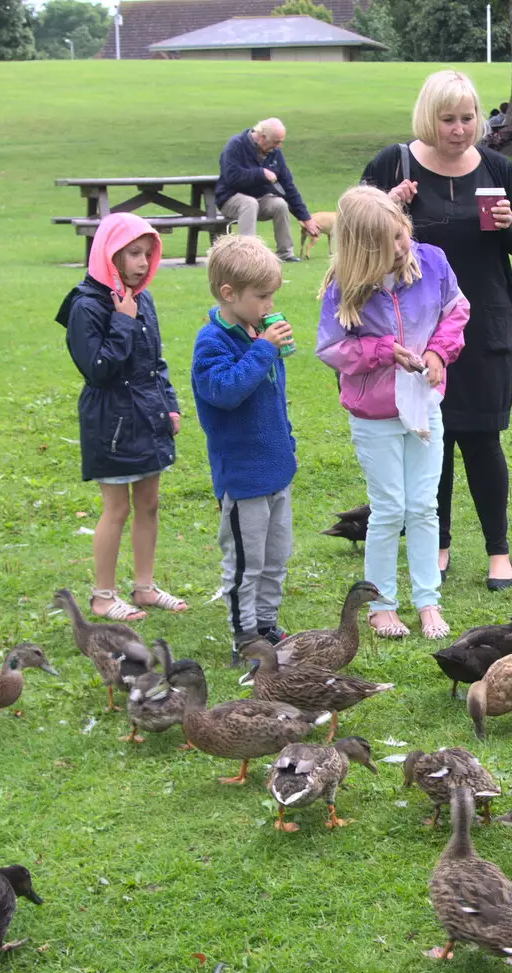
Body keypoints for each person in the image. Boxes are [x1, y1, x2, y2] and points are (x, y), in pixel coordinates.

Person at [362, 69, 512, 591]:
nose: (460, 129)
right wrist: (389, 206)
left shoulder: (499, 168)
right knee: (427, 438)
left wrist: (509, 226)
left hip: (484, 325)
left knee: (483, 439)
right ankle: (437, 541)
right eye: (448, 119)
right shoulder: (392, 164)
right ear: (427, 116)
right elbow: (354, 238)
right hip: (415, 331)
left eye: (467, 118)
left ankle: (498, 551)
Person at [315, 186, 467, 639]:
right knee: (388, 509)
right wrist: (383, 351)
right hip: (374, 415)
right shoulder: (345, 288)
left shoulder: (432, 262)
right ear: (363, 251)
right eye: (389, 244)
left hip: (424, 404)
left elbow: (456, 311)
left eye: (403, 235)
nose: (402, 248)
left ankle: (428, 601)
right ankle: (381, 604)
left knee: (423, 505)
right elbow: (332, 348)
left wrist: (439, 353)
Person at [55, 212, 188, 622]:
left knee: (149, 503)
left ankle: (144, 587)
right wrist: (122, 322)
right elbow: (98, 368)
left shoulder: (139, 296)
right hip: (110, 421)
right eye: (133, 254)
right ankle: (102, 595)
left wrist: (169, 403)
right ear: (109, 254)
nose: (143, 263)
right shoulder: (87, 306)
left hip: (147, 416)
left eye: (147, 254)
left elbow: (154, 361)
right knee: (117, 507)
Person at [191, 235, 298, 661]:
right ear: (228, 294)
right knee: (244, 563)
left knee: (276, 557)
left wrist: (287, 444)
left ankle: (267, 626)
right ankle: (243, 637)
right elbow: (225, 390)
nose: (269, 304)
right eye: (262, 296)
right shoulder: (212, 341)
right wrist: (263, 350)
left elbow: (272, 399)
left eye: (273, 294)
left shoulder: (257, 332)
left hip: (276, 469)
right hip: (243, 474)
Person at [216, 118, 321, 263]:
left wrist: (305, 218)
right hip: (231, 199)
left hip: (259, 200)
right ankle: (247, 255)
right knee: (249, 203)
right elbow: (232, 177)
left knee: (280, 204)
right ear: (262, 137)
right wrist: (261, 173)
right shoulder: (236, 145)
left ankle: (285, 253)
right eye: (276, 141)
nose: (279, 146)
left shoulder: (274, 152)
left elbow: (287, 186)